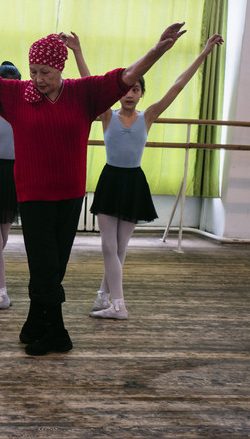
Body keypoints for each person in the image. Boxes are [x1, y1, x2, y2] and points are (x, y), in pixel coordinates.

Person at [0, 22, 187, 355]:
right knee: (43, 265)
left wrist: (158, 49)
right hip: (33, 196)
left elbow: (126, 77)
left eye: (44, 72)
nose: (38, 79)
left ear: (60, 67)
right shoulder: (17, 95)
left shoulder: (83, 93)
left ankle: (34, 321)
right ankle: (58, 332)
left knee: (53, 267)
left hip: (70, 196)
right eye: (33, 71)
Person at [89, 33, 224, 320]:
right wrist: (77, 51)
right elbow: (90, 88)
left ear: (141, 94)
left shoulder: (147, 116)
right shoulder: (107, 115)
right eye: (127, 89)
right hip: (110, 180)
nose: (129, 94)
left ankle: (117, 304)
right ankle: (105, 296)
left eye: (136, 90)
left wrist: (204, 52)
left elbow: (178, 85)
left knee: (119, 247)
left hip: (133, 182)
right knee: (109, 245)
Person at [0, 27, 91, 312]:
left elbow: (87, 95)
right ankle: (1, 291)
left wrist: (77, 52)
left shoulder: (26, 108)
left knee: (2, 240)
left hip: (21, 177)